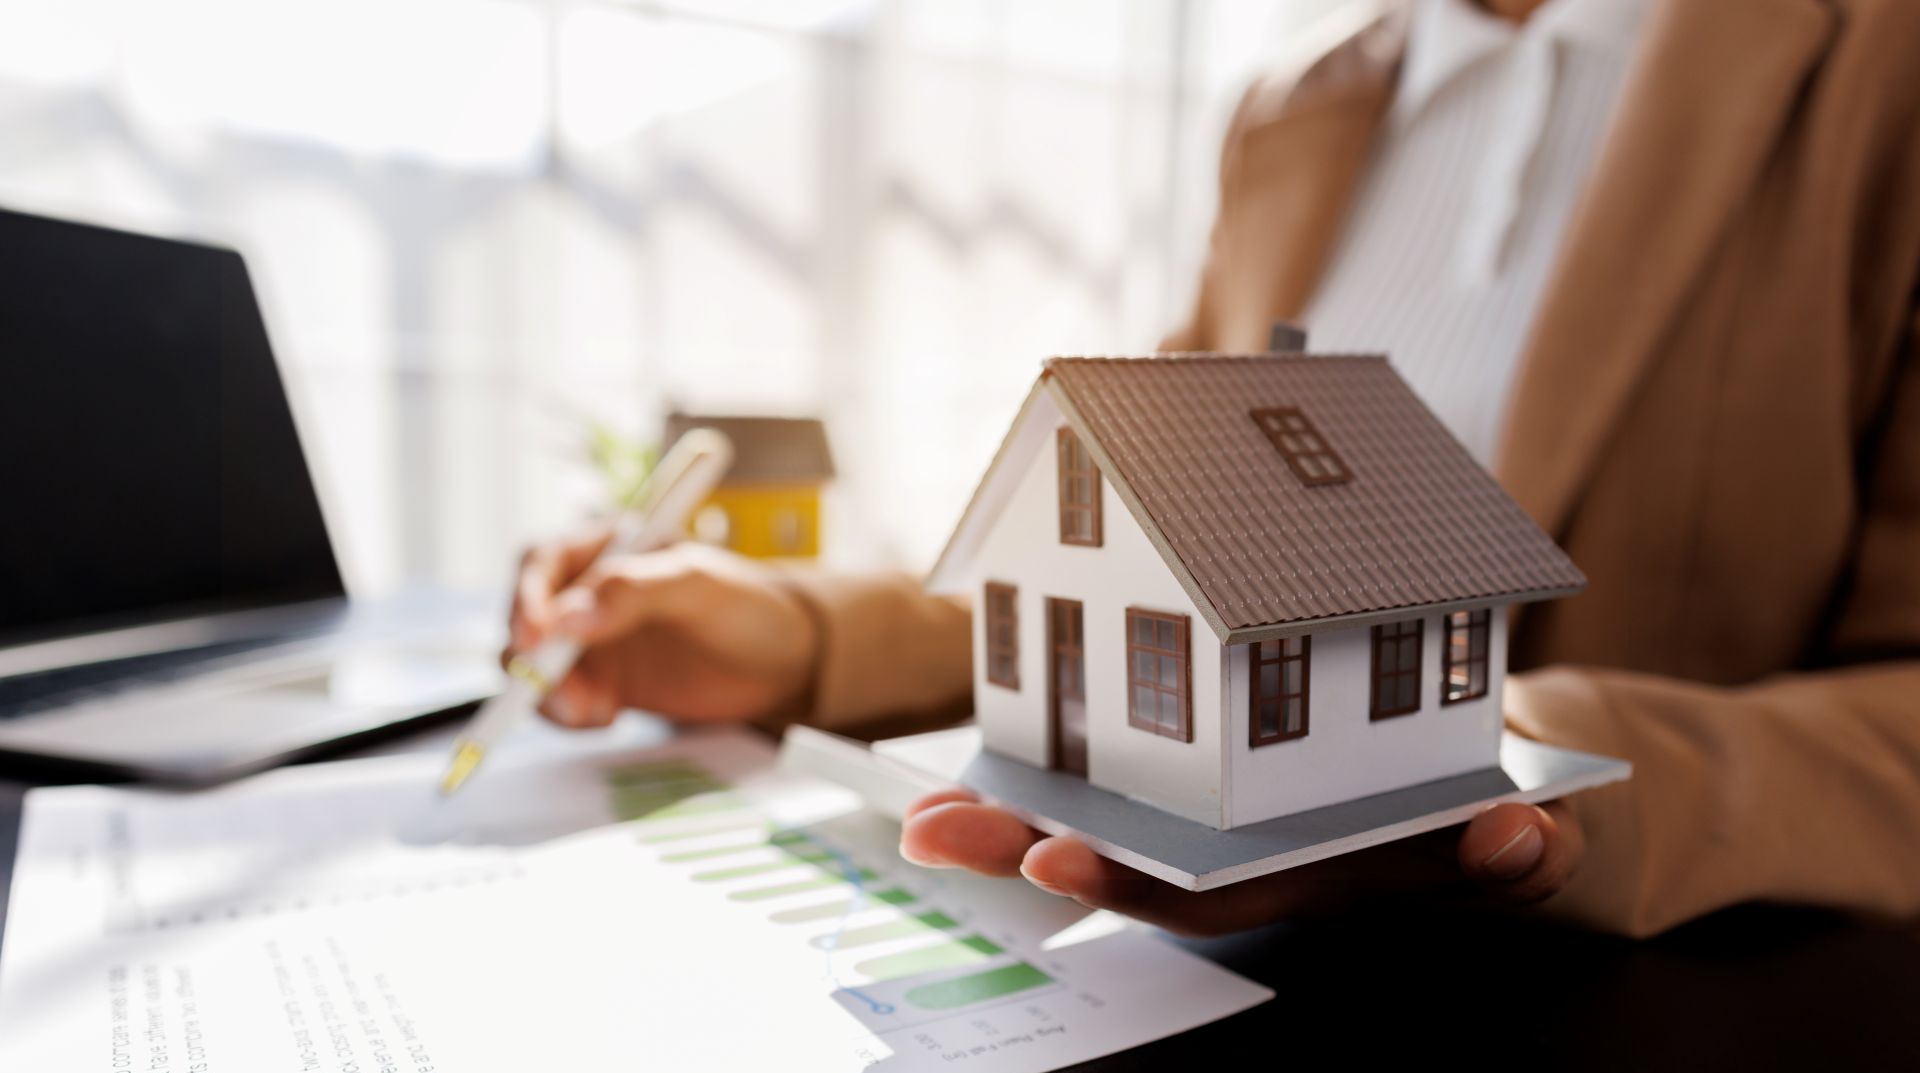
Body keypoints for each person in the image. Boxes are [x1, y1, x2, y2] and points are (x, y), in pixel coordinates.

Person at [510, 0, 1920, 939]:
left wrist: (1517, 755)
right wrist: (796, 631)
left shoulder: (1876, 72)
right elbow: (1153, 543)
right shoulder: (1293, 112)